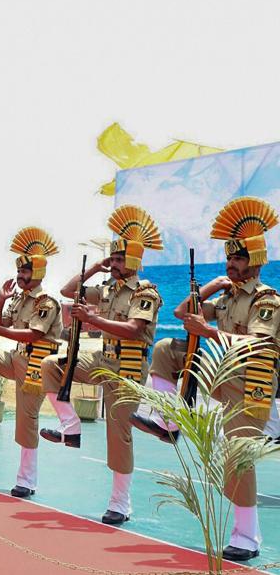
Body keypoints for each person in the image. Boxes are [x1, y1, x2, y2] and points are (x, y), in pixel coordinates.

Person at [131, 197, 280, 561]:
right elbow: (183, 312)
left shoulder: (268, 301)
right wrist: (211, 288)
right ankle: (167, 421)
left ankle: (247, 537)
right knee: (167, 349)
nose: (231, 264)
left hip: (252, 382)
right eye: (229, 258)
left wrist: (208, 332)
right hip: (220, 371)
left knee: (237, 457)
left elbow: (260, 343)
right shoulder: (227, 297)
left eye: (239, 258)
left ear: (255, 262)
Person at [37, 206, 163, 526]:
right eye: (113, 258)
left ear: (134, 261)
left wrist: (92, 318)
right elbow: (67, 291)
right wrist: (96, 267)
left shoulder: (145, 292)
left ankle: (121, 502)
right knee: (52, 365)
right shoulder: (107, 287)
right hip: (103, 357)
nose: (115, 263)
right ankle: (72, 426)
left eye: (119, 259)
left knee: (118, 432)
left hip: (129, 364)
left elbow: (135, 329)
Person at [0, 227, 63, 499]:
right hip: (16, 357)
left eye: (25, 272)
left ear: (36, 273)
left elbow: (33, 334)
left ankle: (27, 479)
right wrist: (0, 299)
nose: (20, 276)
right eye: (19, 272)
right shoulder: (19, 299)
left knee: (26, 420)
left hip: (36, 363)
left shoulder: (46, 301)